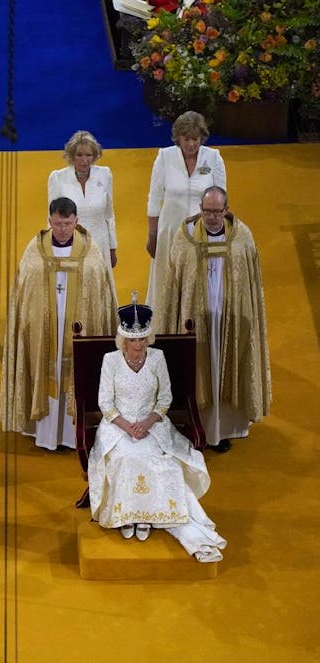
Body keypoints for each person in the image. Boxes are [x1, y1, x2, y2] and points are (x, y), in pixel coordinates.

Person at [88, 299, 227, 563]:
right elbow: (105, 403)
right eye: (133, 340)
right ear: (123, 340)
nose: (139, 345)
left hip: (153, 425)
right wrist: (128, 426)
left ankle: (148, 516)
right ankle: (127, 515)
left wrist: (148, 423)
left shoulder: (158, 358)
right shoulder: (111, 361)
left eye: (142, 339)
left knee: (162, 459)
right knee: (126, 457)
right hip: (117, 426)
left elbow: (165, 398)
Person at [157, 186, 271, 452]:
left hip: (231, 320)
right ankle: (195, 427)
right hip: (195, 321)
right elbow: (174, 284)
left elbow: (251, 283)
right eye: (206, 211)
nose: (210, 217)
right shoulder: (184, 237)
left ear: (226, 210)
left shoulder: (241, 237)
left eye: (216, 211)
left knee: (226, 367)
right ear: (200, 208)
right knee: (197, 368)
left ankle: (223, 430)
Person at [0, 197, 117, 451]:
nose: (63, 229)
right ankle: (47, 435)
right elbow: (24, 291)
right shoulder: (36, 250)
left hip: (79, 329)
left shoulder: (90, 252)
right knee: (47, 369)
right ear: (50, 221)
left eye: (68, 224)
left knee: (76, 371)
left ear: (76, 221)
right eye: (58, 223)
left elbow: (100, 294)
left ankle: (74, 434)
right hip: (44, 332)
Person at [145, 110, 226, 306]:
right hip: (170, 231)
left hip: (203, 233)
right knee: (167, 281)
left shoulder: (214, 158)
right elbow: (154, 199)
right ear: (178, 138)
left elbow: (221, 197)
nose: (192, 144)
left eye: (196, 139)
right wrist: (152, 235)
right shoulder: (164, 157)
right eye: (187, 138)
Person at [47, 130, 118, 269]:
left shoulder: (105, 175)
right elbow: (51, 217)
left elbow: (109, 215)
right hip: (70, 245)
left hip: (100, 244)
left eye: (88, 155)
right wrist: (52, 249)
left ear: (95, 156)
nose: (84, 160)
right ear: (72, 156)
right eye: (79, 155)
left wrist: (112, 248)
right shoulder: (57, 178)